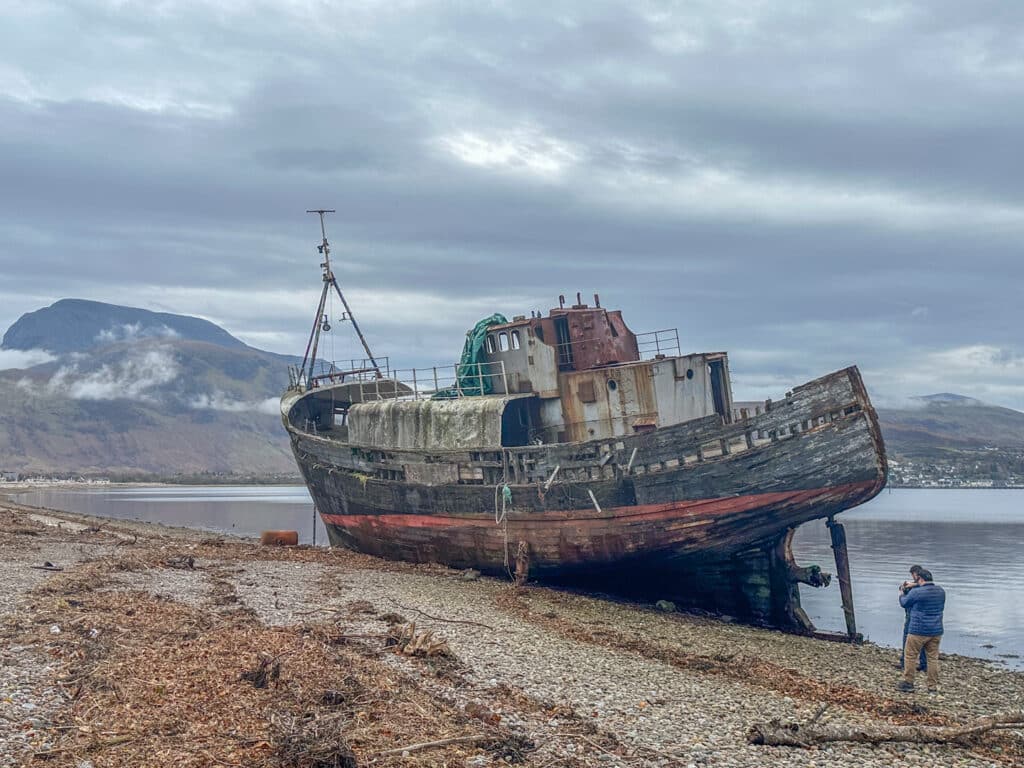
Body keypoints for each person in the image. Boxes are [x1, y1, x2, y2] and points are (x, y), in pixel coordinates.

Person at [897, 568, 946, 693]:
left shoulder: (917, 592)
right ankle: (932, 687)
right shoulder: (941, 591)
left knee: (910, 656)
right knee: (932, 658)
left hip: (918, 630)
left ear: (920, 579)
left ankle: (908, 682)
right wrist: (915, 584)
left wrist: (901, 594)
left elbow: (904, 603)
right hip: (936, 630)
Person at [899, 564, 928, 672]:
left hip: (912, 616)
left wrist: (902, 593)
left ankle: (904, 663)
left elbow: (905, 602)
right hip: (924, 618)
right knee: (924, 642)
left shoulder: (917, 588)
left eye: (913, 575)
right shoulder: (925, 586)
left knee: (907, 639)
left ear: (915, 574)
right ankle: (924, 664)